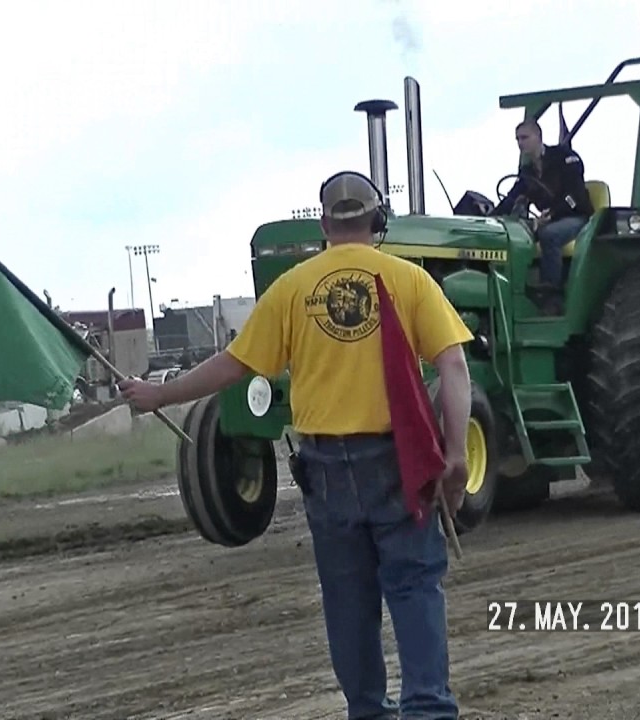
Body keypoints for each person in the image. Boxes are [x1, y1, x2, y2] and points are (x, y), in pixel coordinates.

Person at [118, 170, 474, 719]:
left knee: (348, 602)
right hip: (398, 460)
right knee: (414, 587)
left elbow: (233, 363)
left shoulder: (292, 288)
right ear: (377, 220)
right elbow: (452, 364)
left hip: (327, 468)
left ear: (325, 223)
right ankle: (428, 710)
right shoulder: (410, 280)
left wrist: (159, 395)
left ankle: (368, 711)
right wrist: (455, 453)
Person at [491, 118, 594, 315]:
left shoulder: (565, 158)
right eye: (517, 139)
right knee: (515, 238)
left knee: (549, 234)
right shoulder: (528, 171)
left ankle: (552, 296)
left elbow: (576, 194)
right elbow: (513, 197)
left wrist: (553, 213)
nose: (520, 143)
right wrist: (492, 218)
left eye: (524, 137)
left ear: (538, 136)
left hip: (577, 217)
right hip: (550, 219)